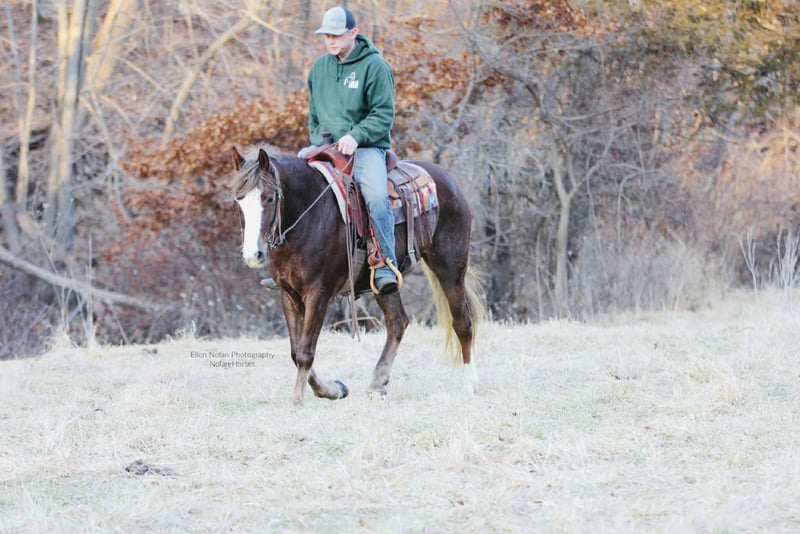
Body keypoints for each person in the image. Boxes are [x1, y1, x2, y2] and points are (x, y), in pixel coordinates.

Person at [263, 5, 399, 294]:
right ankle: (282, 264)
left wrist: (356, 136)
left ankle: (385, 263)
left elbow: (384, 115)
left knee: (376, 196)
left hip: (365, 148)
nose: (331, 41)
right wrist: (319, 140)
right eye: (327, 36)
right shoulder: (319, 68)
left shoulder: (375, 67)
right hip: (325, 147)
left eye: (336, 35)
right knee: (286, 181)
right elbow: (314, 115)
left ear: (353, 33)